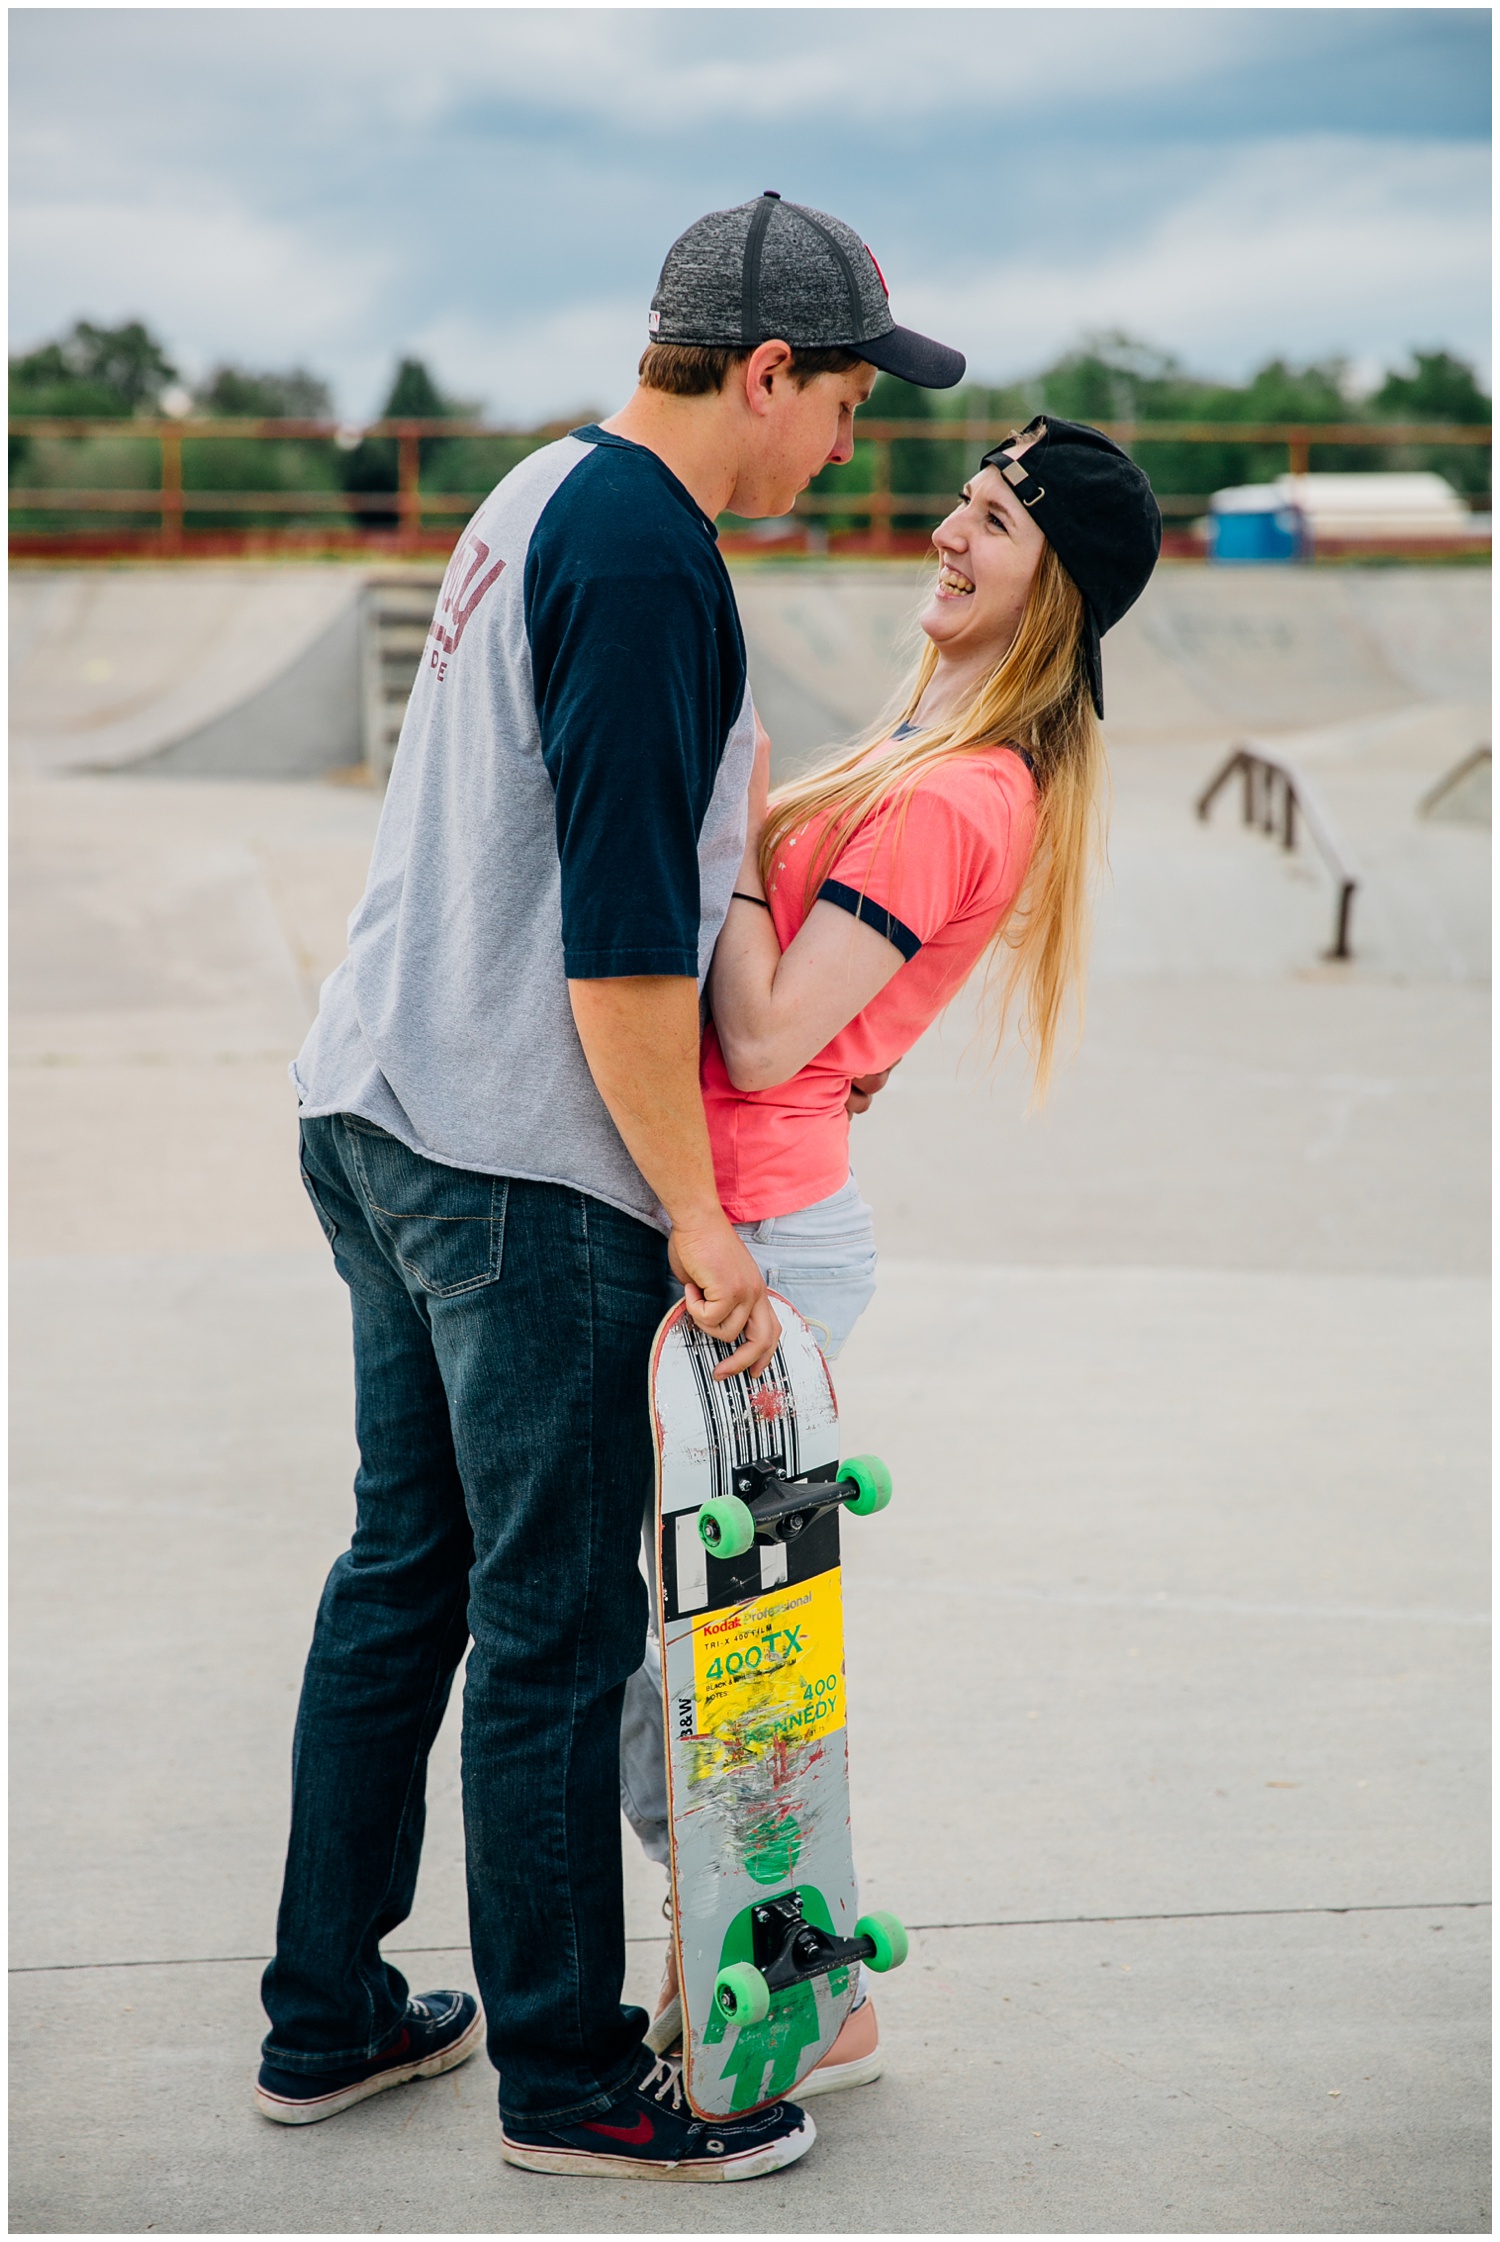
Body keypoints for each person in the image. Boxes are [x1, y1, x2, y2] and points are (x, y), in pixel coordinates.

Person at [253, 192, 964, 2183]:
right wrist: (700, 1213)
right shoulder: (659, 564)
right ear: (762, 374)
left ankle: (326, 2015)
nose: (850, 447)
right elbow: (629, 964)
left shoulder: (542, 485)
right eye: (840, 403)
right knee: (553, 1626)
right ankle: (569, 2078)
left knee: (407, 1573)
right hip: (507, 1161)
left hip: (374, 1106)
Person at [620, 415, 1163, 2083]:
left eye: (991, 520)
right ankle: (747, 1951)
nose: (948, 529)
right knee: (672, 1644)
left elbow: (775, 1036)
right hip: (748, 1214)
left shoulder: (959, 794)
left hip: (760, 1236)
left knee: (686, 1659)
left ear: (1050, 587)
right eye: (964, 501)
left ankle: (809, 1972)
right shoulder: (939, 749)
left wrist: (726, 837)